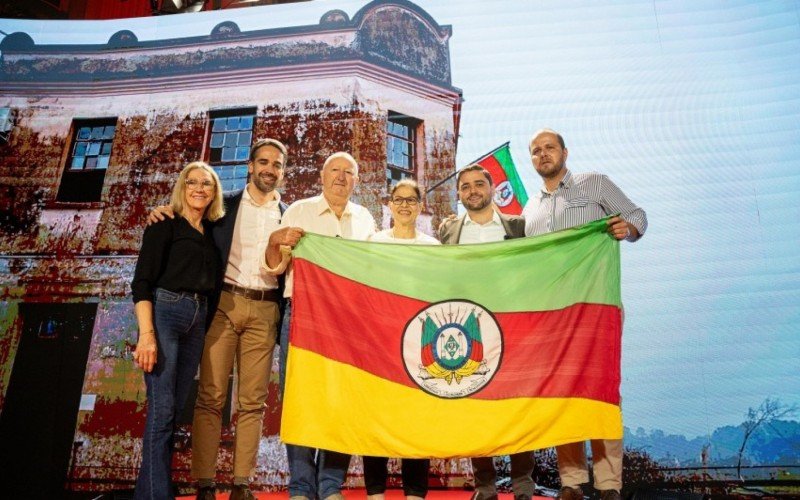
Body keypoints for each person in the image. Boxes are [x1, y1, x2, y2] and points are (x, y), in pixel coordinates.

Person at [148, 138, 289, 500]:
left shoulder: (289, 215)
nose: (269, 169)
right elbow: (189, 216)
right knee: (210, 397)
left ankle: (241, 484)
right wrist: (163, 209)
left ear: (282, 171)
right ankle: (205, 484)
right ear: (250, 166)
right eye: (263, 162)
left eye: (276, 164)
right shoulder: (222, 207)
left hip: (265, 308)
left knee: (253, 402)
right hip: (224, 304)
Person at [521, 128, 647, 500]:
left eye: (549, 148)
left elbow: (637, 213)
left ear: (564, 152)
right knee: (565, 393)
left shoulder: (594, 184)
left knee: (602, 390)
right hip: (553, 315)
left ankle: (609, 484)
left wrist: (630, 228)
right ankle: (572, 482)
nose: (543, 155)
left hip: (596, 307)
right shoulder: (531, 210)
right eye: (535, 151)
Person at [262, 151, 377, 500]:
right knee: (300, 400)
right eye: (335, 171)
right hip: (304, 315)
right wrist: (274, 241)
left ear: (356, 180)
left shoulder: (365, 219)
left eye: (349, 173)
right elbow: (274, 268)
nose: (341, 177)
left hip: (349, 321)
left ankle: (330, 487)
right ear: (322, 177)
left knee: (340, 402)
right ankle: (300, 487)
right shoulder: (299, 210)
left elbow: (371, 271)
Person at [438, 164, 535, 500]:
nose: (472, 191)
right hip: (467, 329)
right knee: (475, 405)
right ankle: (485, 485)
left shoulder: (518, 227)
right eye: (465, 186)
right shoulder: (448, 231)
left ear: (492, 188)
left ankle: (523, 483)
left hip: (512, 328)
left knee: (516, 406)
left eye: (479, 184)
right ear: (459, 193)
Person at [131, 161, 224, 500]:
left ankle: (148, 493)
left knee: (171, 414)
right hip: (164, 312)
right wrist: (147, 334)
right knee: (162, 411)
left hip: (197, 320)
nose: (200, 188)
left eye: (207, 184)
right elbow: (140, 282)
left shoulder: (212, 232)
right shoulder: (164, 224)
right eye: (192, 182)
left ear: (215, 193)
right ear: (182, 187)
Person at [363, 179, 438, 500]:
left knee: (416, 417)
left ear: (420, 206)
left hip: (420, 343)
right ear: (389, 205)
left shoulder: (434, 248)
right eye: (399, 199)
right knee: (376, 416)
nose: (405, 205)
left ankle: (415, 492)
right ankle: (376, 491)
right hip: (380, 341)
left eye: (411, 200)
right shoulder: (373, 243)